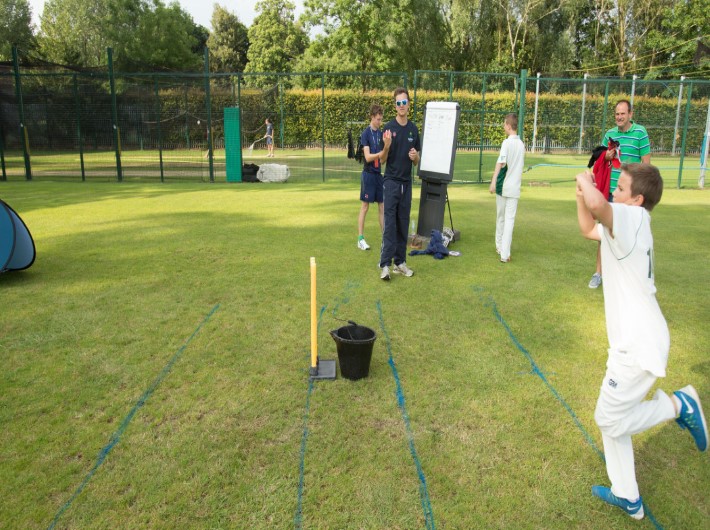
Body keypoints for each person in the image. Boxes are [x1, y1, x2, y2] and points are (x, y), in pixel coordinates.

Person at [575, 163, 707, 521]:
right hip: (636, 340)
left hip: (638, 345)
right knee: (614, 421)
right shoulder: (629, 225)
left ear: (637, 199)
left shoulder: (631, 219)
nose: (615, 192)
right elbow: (589, 227)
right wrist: (580, 195)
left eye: (621, 188)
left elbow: (600, 205)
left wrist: (586, 181)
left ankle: (678, 406)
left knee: (608, 419)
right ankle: (628, 496)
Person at [588, 100, 651, 288]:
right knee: (605, 233)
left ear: (630, 114)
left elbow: (646, 166)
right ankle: (598, 273)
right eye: (616, 113)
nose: (619, 117)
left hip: (630, 197)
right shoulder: (610, 134)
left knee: (629, 235)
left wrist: (639, 193)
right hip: (610, 193)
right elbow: (598, 157)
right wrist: (605, 156)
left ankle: (628, 274)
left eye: (622, 113)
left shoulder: (640, 133)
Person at [378, 87, 420, 281]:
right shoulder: (388, 129)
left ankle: (400, 263)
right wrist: (386, 146)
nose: (402, 106)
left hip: (406, 184)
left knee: (403, 224)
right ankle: (385, 265)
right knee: (390, 225)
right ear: (395, 106)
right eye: (398, 103)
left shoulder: (413, 129)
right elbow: (383, 160)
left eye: (405, 102)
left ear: (409, 104)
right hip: (391, 183)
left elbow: (417, 160)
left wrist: (416, 157)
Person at [488, 113, 525, 263]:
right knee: (509, 220)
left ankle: (499, 246)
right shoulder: (522, 144)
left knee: (501, 217)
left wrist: (493, 181)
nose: (504, 126)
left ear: (509, 126)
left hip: (503, 186)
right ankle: (504, 254)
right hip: (515, 188)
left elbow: (501, 163)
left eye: (504, 124)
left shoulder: (506, 143)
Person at [357, 104, 391, 251]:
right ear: (372, 117)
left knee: (382, 206)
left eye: (381, 119)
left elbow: (383, 160)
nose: (379, 122)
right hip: (368, 175)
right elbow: (368, 157)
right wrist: (382, 151)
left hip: (378, 175)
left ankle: (385, 238)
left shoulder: (381, 133)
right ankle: (360, 239)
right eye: (378, 119)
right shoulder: (366, 134)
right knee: (365, 207)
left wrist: (387, 148)